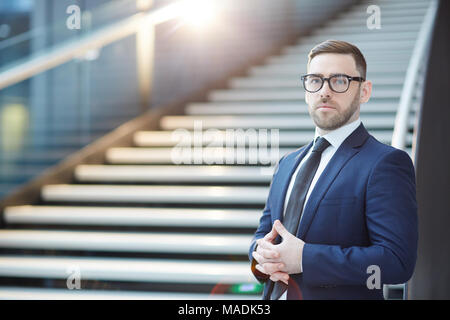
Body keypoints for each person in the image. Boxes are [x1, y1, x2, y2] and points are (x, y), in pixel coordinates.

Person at [249, 40, 418, 300]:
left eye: (339, 81)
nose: (324, 91)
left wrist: (306, 259)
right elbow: (262, 236)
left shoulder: (385, 163)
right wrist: (260, 256)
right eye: (315, 80)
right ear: (306, 90)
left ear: (364, 91)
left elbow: (396, 262)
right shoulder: (287, 164)